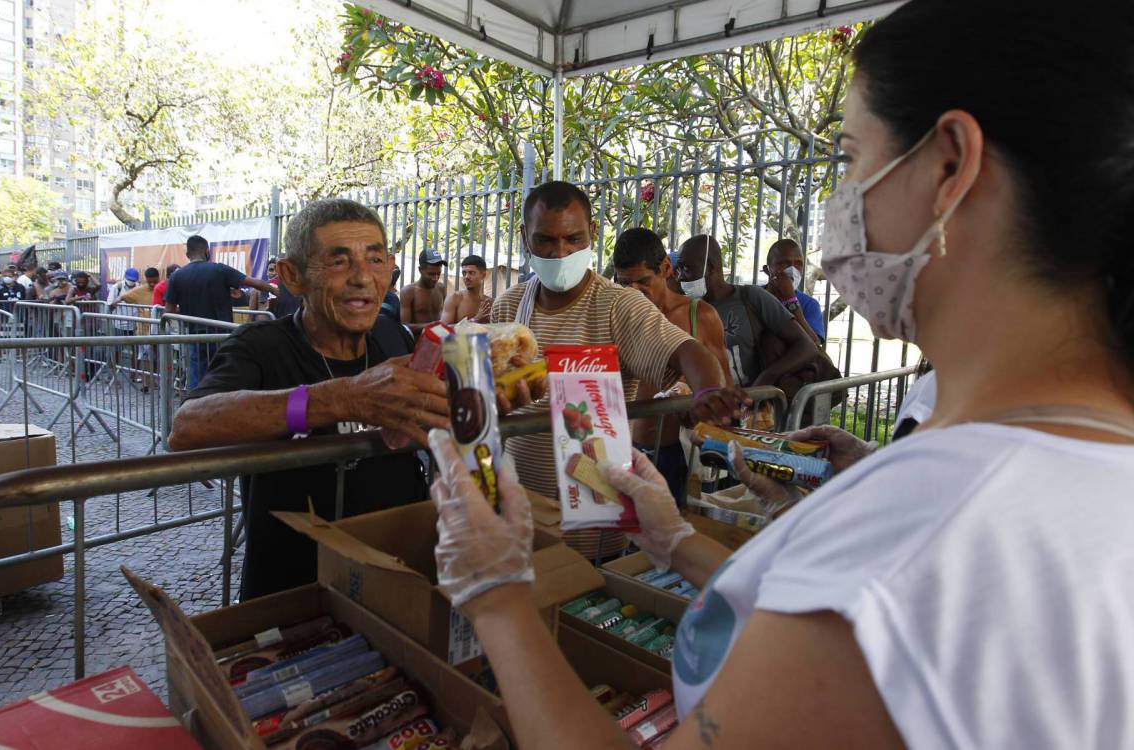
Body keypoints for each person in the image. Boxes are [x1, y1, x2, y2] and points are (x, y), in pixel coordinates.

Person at [424, 2, 1134, 747]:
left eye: (853, 158)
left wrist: (496, 597)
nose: (840, 201)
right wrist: (677, 543)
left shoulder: (916, 535)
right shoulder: (1063, 469)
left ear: (951, 166)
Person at [168, 199, 450, 600]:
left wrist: (488, 404)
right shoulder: (260, 346)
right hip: (294, 584)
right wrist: (340, 399)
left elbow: (431, 417)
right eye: (338, 262)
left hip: (395, 569)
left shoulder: (393, 335)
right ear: (292, 275)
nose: (362, 278)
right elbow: (187, 428)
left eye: (374, 260)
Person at [491, 181, 750, 503]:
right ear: (524, 237)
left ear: (593, 233)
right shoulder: (508, 306)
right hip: (521, 504)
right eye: (544, 240)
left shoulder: (620, 305)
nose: (560, 253)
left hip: (594, 517)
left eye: (573, 239)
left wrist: (709, 392)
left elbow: (687, 352)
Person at [612, 227, 734, 506]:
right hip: (621, 448)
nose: (635, 293)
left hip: (672, 453)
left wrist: (694, 396)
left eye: (643, 281)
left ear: (666, 268)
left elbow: (724, 382)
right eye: (625, 284)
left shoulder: (699, 315)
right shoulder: (615, 316)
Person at [675, 234, 818, 387]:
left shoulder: (751, 298)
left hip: (755, 405)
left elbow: (808, 346)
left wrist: (766, 378)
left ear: (709, 268)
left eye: (686, 269)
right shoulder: (687, 310)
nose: (680, 277)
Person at [164, 235, 275, 390]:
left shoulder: (177, 276)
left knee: (197, 378)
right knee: (224, 376)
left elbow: (169, 312)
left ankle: (196, 408)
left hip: (193, 336)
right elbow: (255, 283)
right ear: (207, 251)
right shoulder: (219, 270)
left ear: (188, 254)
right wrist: (276, 290)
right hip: (221, 335)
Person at [761, 238, 825, 344]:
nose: (792, 270)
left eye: (798, 264)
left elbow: (814, 345)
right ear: (767, 270)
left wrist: (791, 300)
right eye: (784, 264)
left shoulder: (810, 305)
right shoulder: (753, 296)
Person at [399, 249, 446, 329]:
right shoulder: (408, 292)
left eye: (438, 273)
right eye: (431, 274)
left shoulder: (441, 288)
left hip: (439, 339)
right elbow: (404, 326)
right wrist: (433, 326)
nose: (435, 278)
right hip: (417, 340)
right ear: (420, 270)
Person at [440, 254, 493, 323]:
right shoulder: (454, 298)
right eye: (464, 273)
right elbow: (444, 329)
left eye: (471, 273)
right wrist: (475, 319)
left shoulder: (490, 303)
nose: (466, 277)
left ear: (483, 275)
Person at [106, 268, 141, 335]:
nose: (131, 281)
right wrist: (115, 303)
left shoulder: (139, 288)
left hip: (134, 325)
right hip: (119, 325)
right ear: (125, 277)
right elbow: (109, 304)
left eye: (133, 280)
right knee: (119, 344)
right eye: (130, 279)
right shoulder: (116, 287)